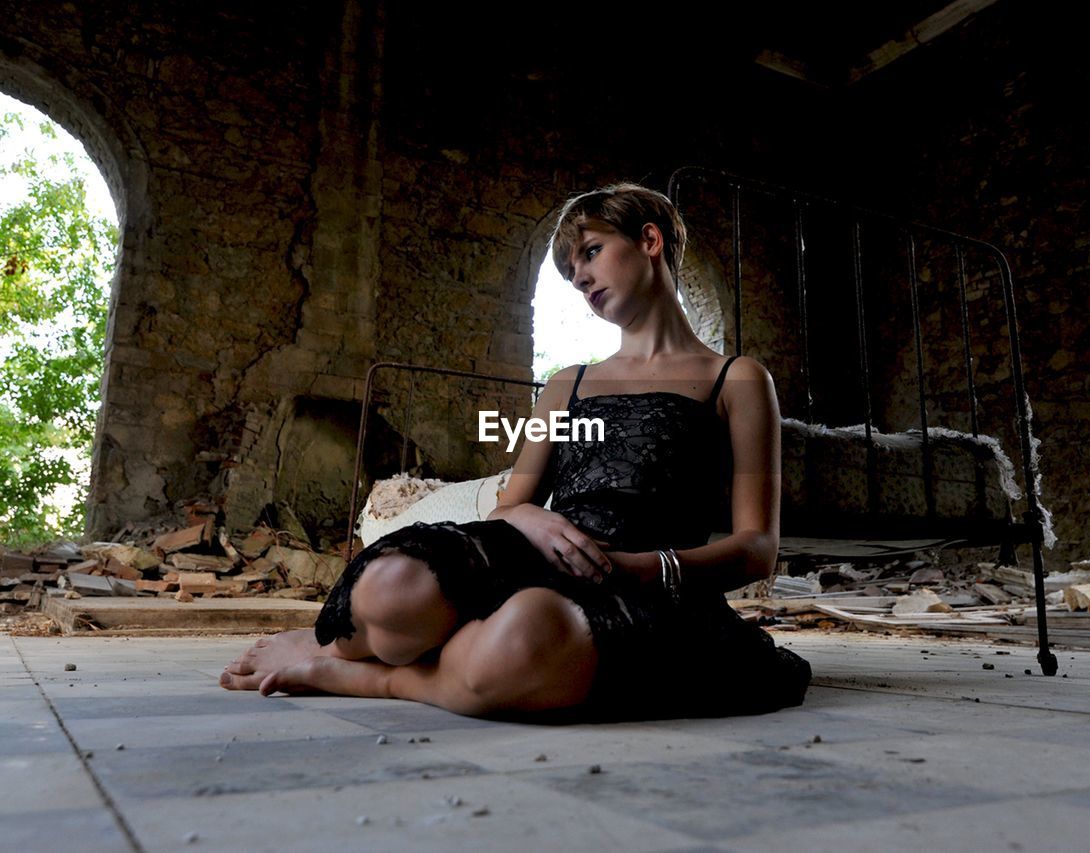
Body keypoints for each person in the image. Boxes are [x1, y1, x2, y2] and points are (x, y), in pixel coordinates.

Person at [220, 183, 811, 720]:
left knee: (520, 644)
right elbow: (510, 505)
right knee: (389, 588)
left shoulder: (735, 379)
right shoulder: (568, 385)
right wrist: (532, 518)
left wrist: (643, 567)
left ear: (649, 239)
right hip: (531, 552)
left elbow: (756, 549)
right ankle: (390, 647)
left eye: (590, 253)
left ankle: (366, 676)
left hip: (645, 585)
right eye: (572, 275)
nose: (581, 279)